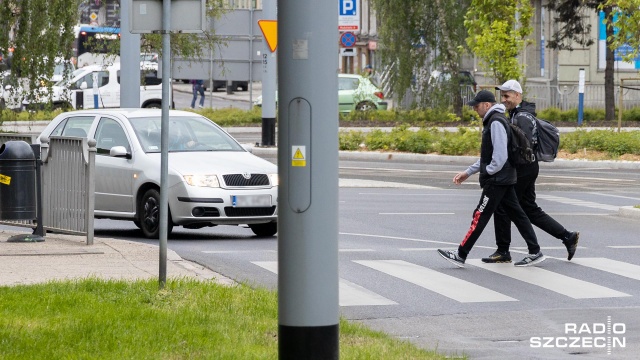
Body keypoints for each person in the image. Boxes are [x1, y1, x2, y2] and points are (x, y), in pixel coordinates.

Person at [437, 90, 545, 268]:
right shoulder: (496, 120)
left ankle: (461, 254)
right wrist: (468, 172)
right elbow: (488, 155)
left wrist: (489, 172)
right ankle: (535, 251)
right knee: (517, 214)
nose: (475, 110)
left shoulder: (495, 122)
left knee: (480, 215)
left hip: (497, 180)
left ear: (487, 105)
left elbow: (499, 156)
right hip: (505, 178)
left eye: (477, 106)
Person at [481, 80, 580, 264]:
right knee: (529, 209)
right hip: (527, 167)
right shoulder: (517, 114)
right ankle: (567, 236)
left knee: (504, 206)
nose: (504, 99)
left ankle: (505, 251)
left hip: (523, 168)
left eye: (507, 96)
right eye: (502, 96)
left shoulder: (522, 117)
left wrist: (505, 164)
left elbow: (522, 147)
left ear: (518, 95)